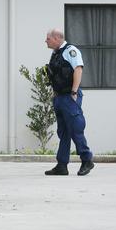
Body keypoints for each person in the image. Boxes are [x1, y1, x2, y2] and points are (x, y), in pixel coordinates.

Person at [44, 28, 94, 176]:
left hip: (69, 96)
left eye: (48, 38)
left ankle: (87, 160)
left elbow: (78, 70)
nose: (45, 41)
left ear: (57, 38)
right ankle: (62, 165)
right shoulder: (56, 54)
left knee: (75, 129)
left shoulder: (70, 51)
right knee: (63, 132)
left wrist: (73, 91)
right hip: (60, 97)